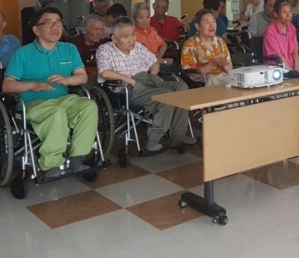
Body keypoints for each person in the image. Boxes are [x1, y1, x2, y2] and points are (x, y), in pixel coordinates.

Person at [2, 7, 98, 178]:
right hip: (32, 103)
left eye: (58, 23)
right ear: (36, 30)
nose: (55, 27)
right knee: (56, 112)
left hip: (63, 98)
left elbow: (82, 77)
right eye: (48, 23)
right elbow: (7, 86)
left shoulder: (69, 49)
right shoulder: (23, 53)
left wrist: (67, 80)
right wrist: (33, 85)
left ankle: (77, 158)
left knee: (89, 106)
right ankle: (52, 163)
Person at [96, 17, 195, 153]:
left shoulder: (138, 47)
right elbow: (105, 72)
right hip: (126, 88)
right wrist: (130, 81)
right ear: (114, 38)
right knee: (165, 97)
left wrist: (153, 77)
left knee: (181, 88)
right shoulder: (105, 50)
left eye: (133, 34)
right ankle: (153, 139)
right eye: (125, 36)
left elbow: (154, 61)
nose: (131, 39)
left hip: (147, 80)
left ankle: (178, 134)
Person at [181, 9, 233, 86]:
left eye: (214, 21)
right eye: (207, 22)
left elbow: (229, 68)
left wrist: (224, 64)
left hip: (222, 76)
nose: (212, 25)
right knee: (212, 79)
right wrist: (212, 64)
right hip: (204, 79)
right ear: (198, 26)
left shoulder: (219, 41)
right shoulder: (190, 44)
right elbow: (190, 73)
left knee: (238, 81)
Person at [263, 0, 299, 73]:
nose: (288, 15)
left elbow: (295, 51)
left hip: (291, 67)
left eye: (290, 12)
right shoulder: (270, 30)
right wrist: (291, 72)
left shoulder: (291, 27)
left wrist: (296, 69)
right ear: (276, 14)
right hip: (276, 68)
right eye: (284, 12)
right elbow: (278, 56)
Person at [68, 14, 106, 83]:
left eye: (101, 30)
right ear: (85, 29)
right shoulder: (72, 45)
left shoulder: (105, 45)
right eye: (96, 29)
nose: (99, 33)